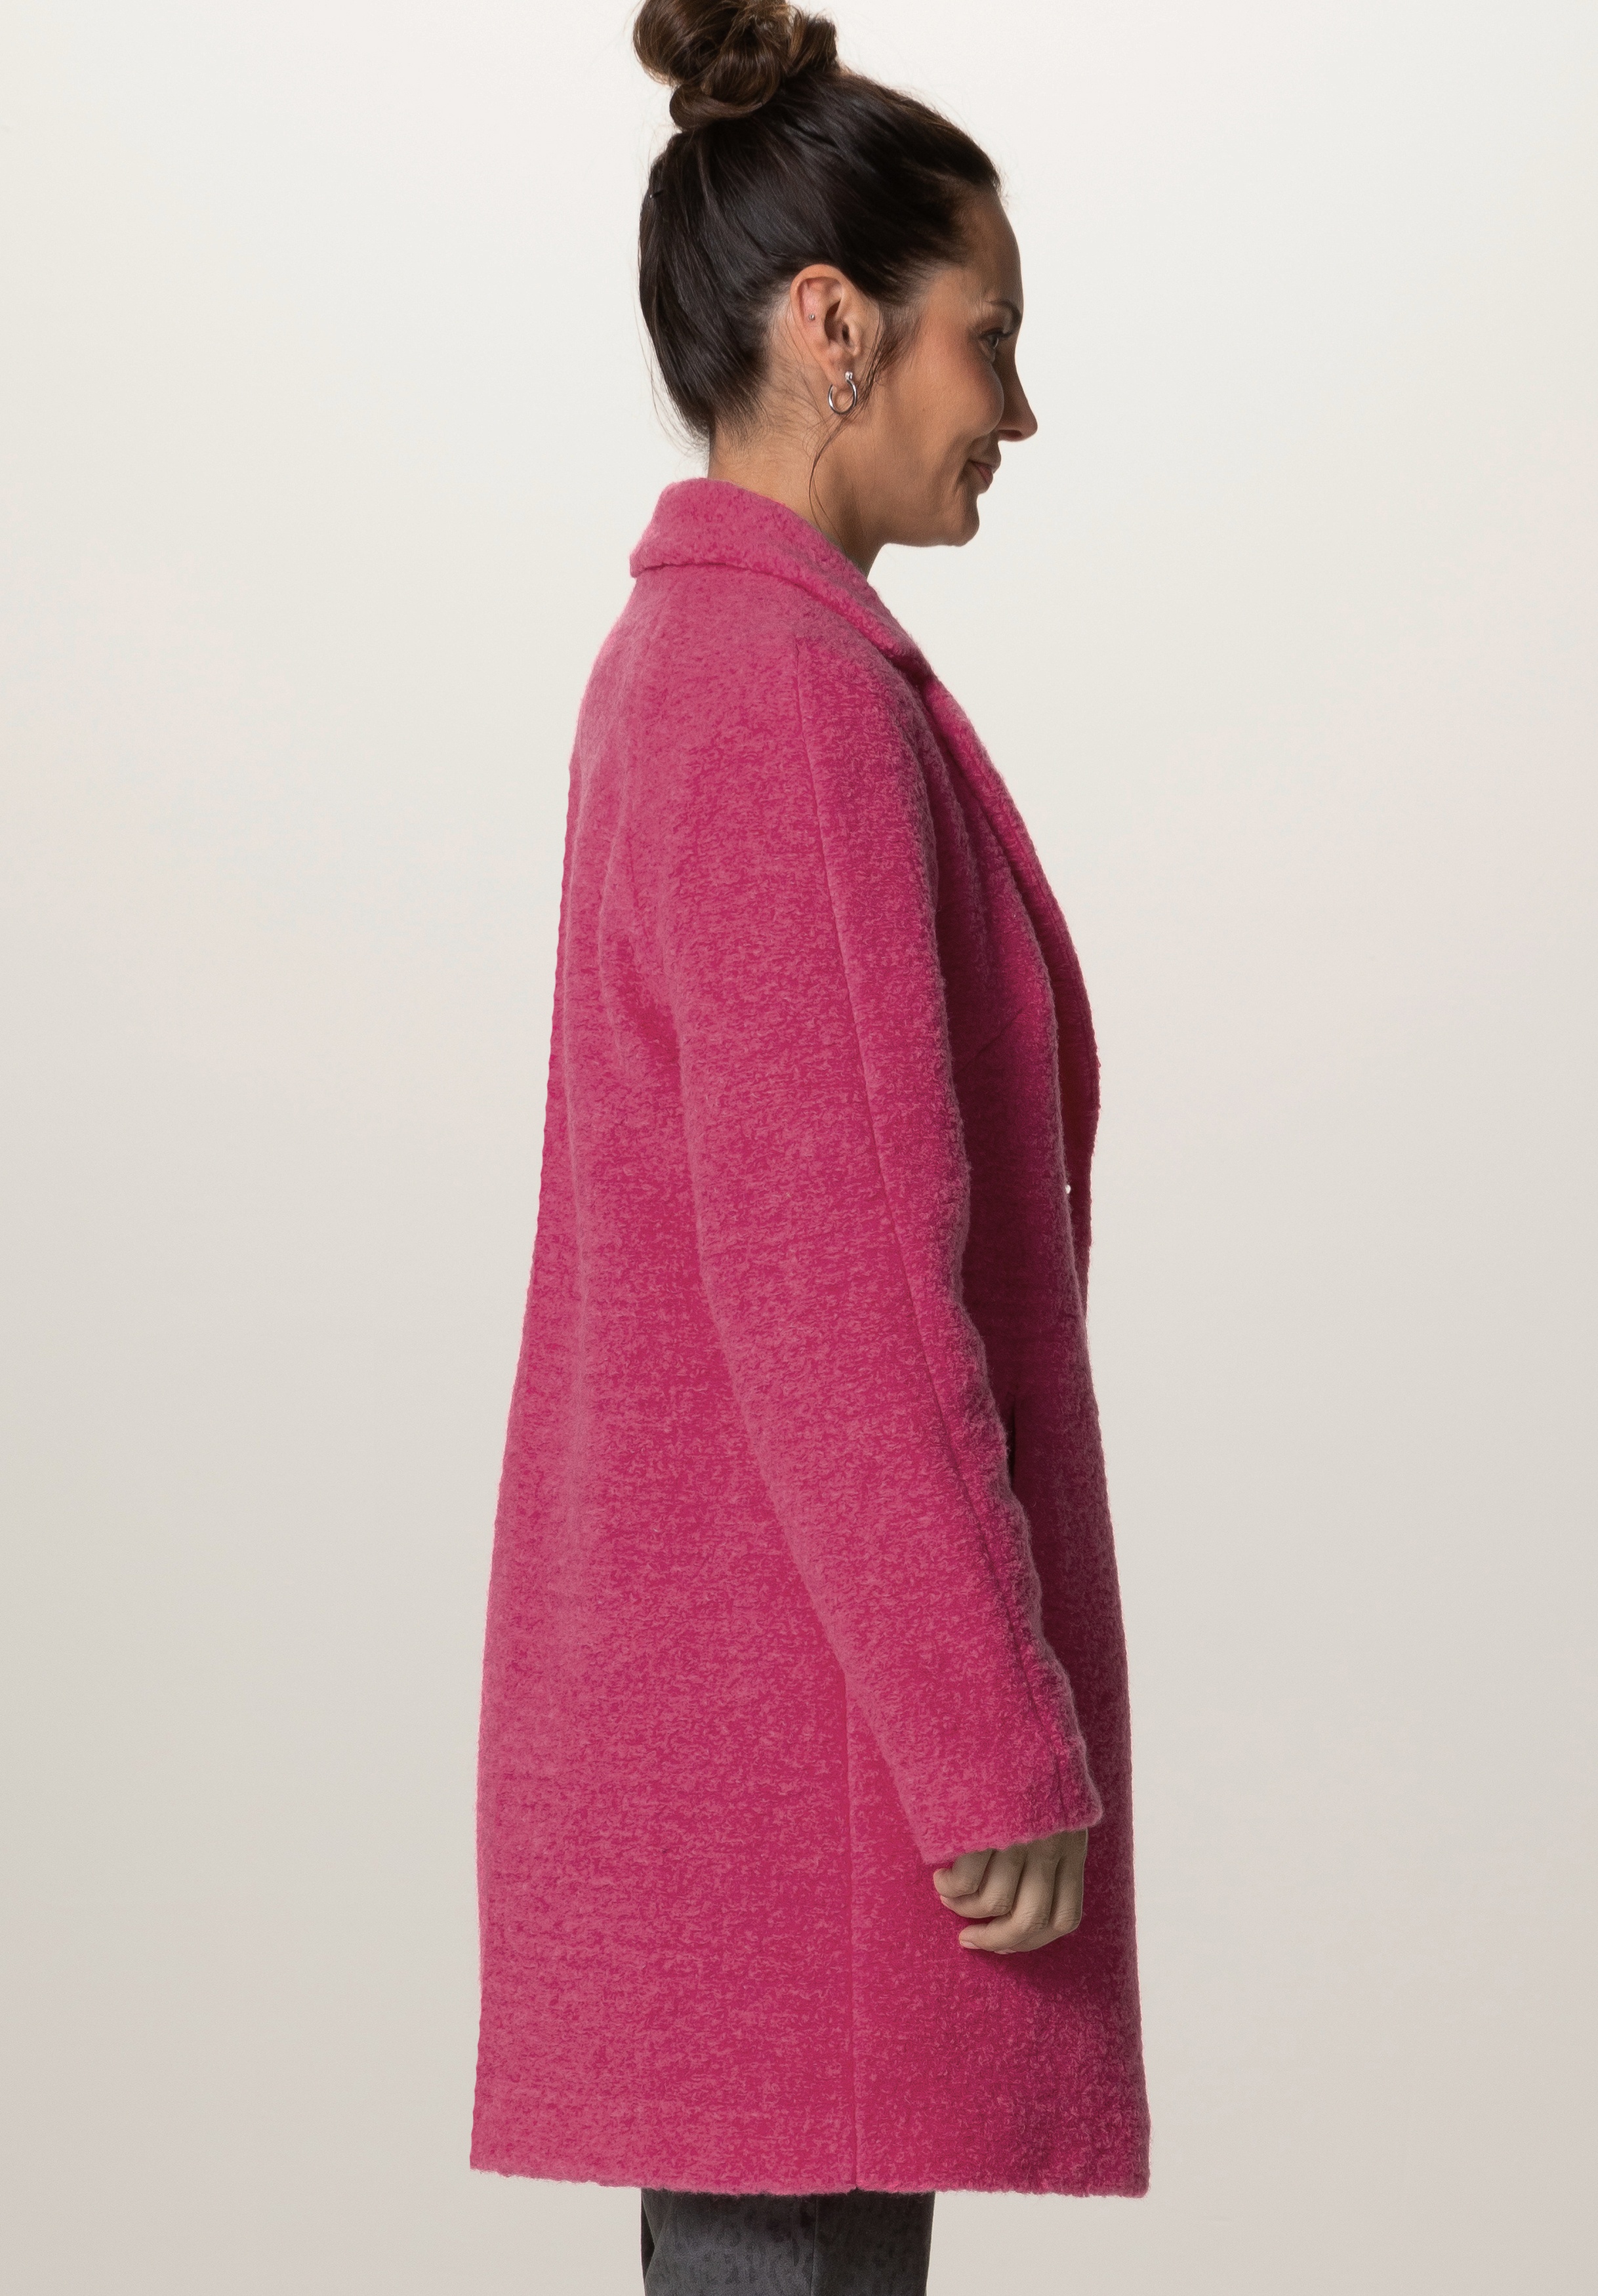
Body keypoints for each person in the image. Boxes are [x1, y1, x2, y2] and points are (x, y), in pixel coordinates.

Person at [470, 3, 1150, 2287]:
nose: (1018, 410)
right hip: (811, 1761)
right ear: (835, 327)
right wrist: (989, 1735)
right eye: (990, 336)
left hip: (753, 1739)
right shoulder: (777, 696)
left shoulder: (705, 664)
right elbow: (839, 1277)